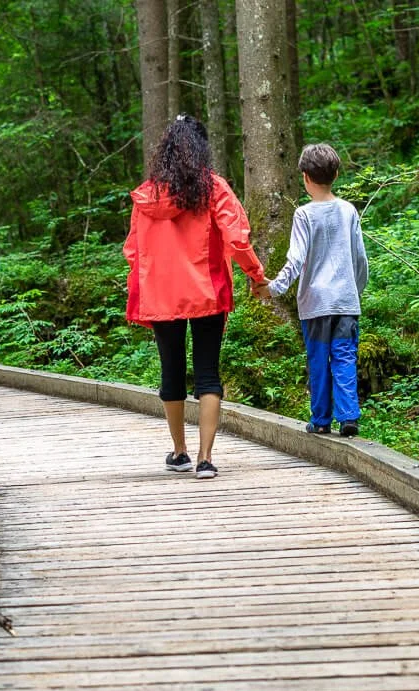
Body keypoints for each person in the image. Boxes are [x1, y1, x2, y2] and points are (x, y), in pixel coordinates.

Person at [123, 115, 270, 479]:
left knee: (170, 372)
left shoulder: (146, 195)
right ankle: (206, 459)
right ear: (201, 148)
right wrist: (256, 275)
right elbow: (237, 237)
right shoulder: (214, 188)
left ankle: (179, 452)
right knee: (208, 373)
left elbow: (132, 250)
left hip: (161, 296)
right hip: (206, 291)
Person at [265, 143, 369, 437]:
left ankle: (321, 419)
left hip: (315, 304)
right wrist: (356, 290)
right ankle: (348, 416)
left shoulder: (304, 215)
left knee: (318, 361)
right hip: (346, 302)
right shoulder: (349, 211)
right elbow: (360, 258)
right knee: (345, 356)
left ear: (305, 177)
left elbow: (295, 259)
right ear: (336, 174)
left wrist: (274, 288)